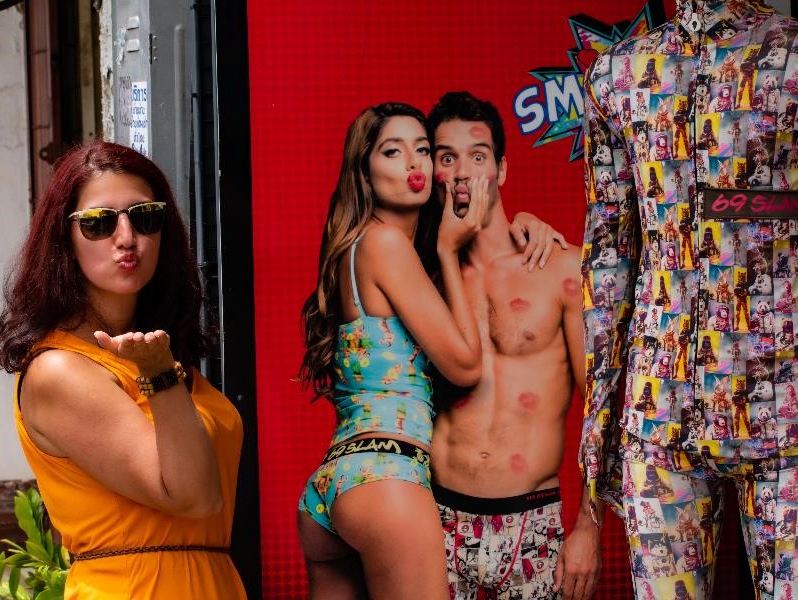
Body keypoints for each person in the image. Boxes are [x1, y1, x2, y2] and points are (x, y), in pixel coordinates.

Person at [297, 103, 562, 598]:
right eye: (393, 152)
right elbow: (464, 365)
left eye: (423, 150)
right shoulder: (387, 245)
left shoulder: (357, 246)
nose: (414, 164)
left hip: (333, 487)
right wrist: (445, 246)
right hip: (388, 479)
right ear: (365, 170)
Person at [580, 1, 798, 599]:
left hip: (785, 414)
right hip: (660, 420)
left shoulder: (791, 54)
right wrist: (598, 427)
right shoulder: (618, 76)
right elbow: (609, 259)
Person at [0, 141, 246, 599]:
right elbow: (193, 495)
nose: (126, 238)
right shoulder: (59, 371)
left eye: (144, 216)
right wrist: (161, 377)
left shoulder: (158, 355)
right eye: (99, 223)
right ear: (63, 239)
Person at [424, 91, 600, 600]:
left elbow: (601, 409)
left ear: (501, 169)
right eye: (445, 157)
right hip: (434, 519)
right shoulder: (419, 274)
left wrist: (589, 527)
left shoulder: (562, 268)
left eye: (477, 156)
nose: (461, 172)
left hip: (533, 523)